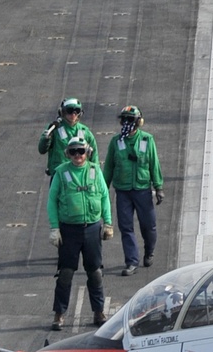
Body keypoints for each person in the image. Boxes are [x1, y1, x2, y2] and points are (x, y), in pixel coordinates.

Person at [47, 135, 113, 330]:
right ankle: (59, 314)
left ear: (87, 152)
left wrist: (108, 223)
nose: (78, 155)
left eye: (81, 151)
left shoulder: (95, 171)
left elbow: (104, 197)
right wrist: (54, 228)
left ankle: (98, 311)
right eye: (73, 152)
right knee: (66, 273)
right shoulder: (61, 173)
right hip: (69, 230)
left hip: (92, 228)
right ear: (68, 154)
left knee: (95, 272)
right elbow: (52, 201)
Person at [103, 105, 164, 277]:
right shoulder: (116, 142)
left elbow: (154, 163)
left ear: (139, 122)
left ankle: (149, 251)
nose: (128, 123)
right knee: (126, 227)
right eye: (125, 119)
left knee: (149, 226)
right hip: (123, 191)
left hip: (143, 190)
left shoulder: (147, 140)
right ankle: (131, 261)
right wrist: (102, 189)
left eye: (131, 119)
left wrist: (158, 187)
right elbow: (108, 167)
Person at [37, 97, 99, 180]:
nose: (73, 114)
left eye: (76, 111)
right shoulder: (54, 129)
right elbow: (42, 150)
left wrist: (93, 177)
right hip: (59, 175)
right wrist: (45, 139)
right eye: (70, 111)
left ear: (80, 113)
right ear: (63, 112)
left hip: (80, 175)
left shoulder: (85, 132)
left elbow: (94, 156)